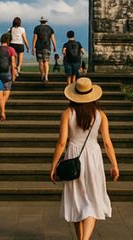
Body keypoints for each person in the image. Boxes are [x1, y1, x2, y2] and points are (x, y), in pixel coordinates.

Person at [50, 78, 119, 240]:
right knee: (93, 198)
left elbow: (62, 142)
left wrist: (54, 165)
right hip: (93, 156)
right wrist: (114, 165)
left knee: (76, 198)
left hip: (74, 155)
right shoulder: (101, 115)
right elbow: (107, 143)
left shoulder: (67, 113)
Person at [0, 33, 17, 104]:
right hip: (7, 73)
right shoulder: (11, 49)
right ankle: (2, 106)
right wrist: (14, 74)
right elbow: (13, 63)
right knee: (6, 91)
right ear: (9, 40)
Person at [32, 16, 56, 83]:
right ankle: (46, 77)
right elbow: (52, 38)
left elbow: (35, 38)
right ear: (46, 21)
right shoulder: (50, 28)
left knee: (41, 62)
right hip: (47, 47)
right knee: (46, 62)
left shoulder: (37, 28)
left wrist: (33, 47)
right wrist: (54, 46)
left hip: (39, 47)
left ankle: (42, 75)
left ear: (40, 21)